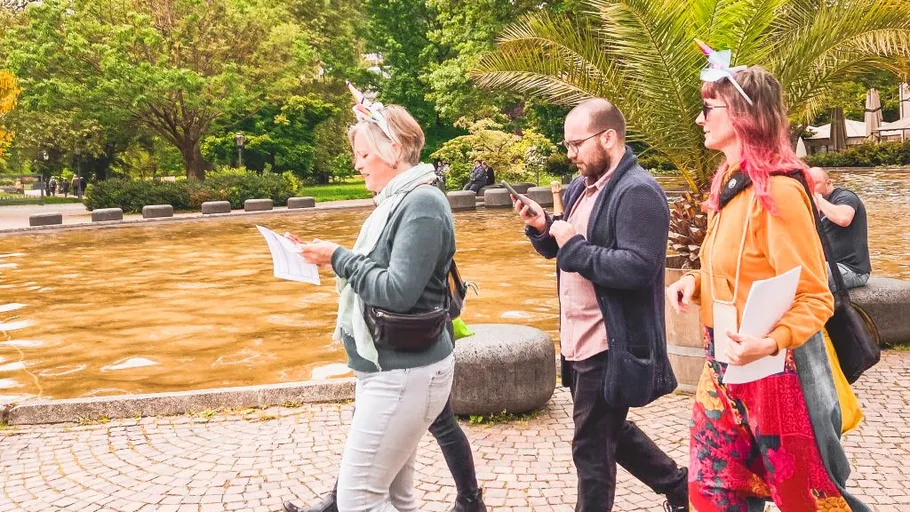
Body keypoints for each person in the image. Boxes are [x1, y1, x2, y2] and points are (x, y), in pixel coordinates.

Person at [666, 43, 869, 512]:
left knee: (810, 500)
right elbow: (739, 272)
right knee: (712, 493)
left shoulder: (778, 191)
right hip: (724, 368)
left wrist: (771, 341)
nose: (700, 119)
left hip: (779, 377)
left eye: (707, 108)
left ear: (741, 115)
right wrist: (696, 284)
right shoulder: (730, 183)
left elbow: (816, 297)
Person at [283, 86, 484, 512]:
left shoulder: (422, 203)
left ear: (393, 151)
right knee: (396, 495)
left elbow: (398, 292)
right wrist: (327, 257)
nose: (357, 165)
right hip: (394, 369)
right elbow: (380, 271)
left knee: (359, 500)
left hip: (404, 372)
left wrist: (339, 257)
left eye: (364, 155)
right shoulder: (398, 201)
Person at [512, 97, 688, 512]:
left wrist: (573, 245)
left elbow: (639, 268)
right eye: (567, 145)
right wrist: (543, 228)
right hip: (577, 339)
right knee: (609, 430)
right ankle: (680, 486)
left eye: (577, 144)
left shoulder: (639, 192)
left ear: (608, 138)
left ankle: (678, 487)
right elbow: (566, 247)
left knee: (590, 447)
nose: (570, 154)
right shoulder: (579, 187)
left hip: (612, 343)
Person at [807, 167, 871, 289]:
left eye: (815, 183)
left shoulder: (846, 196)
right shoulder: (814, 206)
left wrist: (818, 200)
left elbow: (843, 219)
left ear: (828, 183)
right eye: (808, 184)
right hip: (828, 265)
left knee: (806, 275)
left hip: (851, 270)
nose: (811, 188)